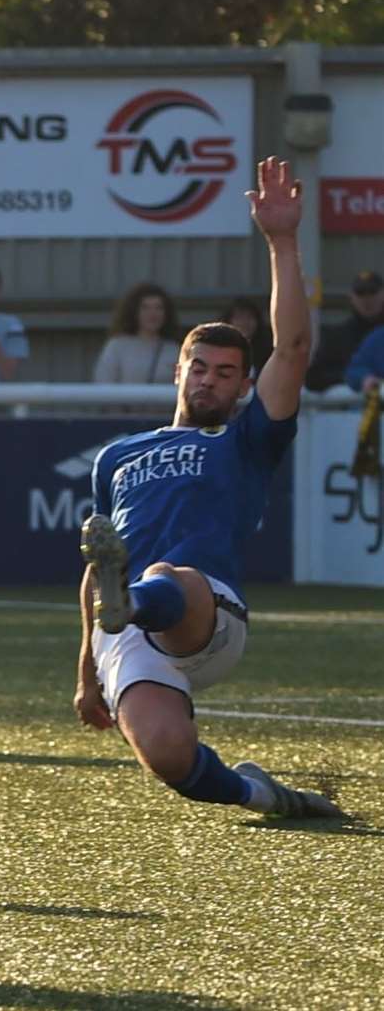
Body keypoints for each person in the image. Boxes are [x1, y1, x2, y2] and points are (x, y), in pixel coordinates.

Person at [75, 156, 342, 821]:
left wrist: (282, 241)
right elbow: (95, 570)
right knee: (167, 753)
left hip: (207, 614)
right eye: (201, 367)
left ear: (245, 386)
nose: (211, 380)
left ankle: (134, 600)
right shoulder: (117, 456)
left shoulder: (247, 440)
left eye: (228, 373)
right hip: (124, 626)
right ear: (178, 371)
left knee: (169, 575)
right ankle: (272, 795)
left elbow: (295, 347)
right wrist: (86, 672)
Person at [306, 271, 382, 393]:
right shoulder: (337, 336)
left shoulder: (379, 336)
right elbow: (313, 378)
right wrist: (351, 379)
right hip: (345, 408)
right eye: (361, 293)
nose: (367, 299)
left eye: (372, 292)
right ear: (351, 297)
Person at [93, 283, 182, 384]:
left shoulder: (174, 350)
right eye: (145, 307)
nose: (152, 313)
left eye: (158, 307)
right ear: (134, 312)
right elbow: (104, 383)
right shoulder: (117, 347)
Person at [218, 295, 273, 376]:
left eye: (249, 317)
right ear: (229, 321)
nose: (244, 322)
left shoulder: (267, 351)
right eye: (239, 318)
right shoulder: (218, 349)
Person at [345, 324, 384, 395]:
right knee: (338, 393)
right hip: (378, 396)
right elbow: (355, 368)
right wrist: (365, 377)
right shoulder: (378, 337)